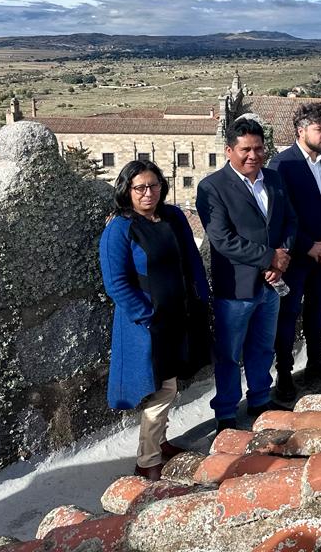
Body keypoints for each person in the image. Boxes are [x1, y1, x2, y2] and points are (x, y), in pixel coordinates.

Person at [100, 159, 211, 479]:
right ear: (127, 191)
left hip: (179, 316)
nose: (148, 193)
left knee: (171, 385)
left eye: (154, 186)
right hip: (146, 325)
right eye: (140, 188)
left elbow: (191, 259)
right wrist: (147, 317)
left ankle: (160, 443)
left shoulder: (174, 216)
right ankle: (147, 460)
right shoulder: (120, 229)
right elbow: (116, 283)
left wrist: (201, 298)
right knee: (159, 389)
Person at [196, 118, 296, 433]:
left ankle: (259, 400)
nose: (253, 155)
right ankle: (226, 412)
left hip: (270, 284)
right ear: (229, 151)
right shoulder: (212, 187)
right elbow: (222, 239)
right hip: (236, 288)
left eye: (258, 148)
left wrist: (281, 258)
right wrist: (269, 257)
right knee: (228, 354)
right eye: (245, 150)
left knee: (263, 347)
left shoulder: (276, 180)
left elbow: (291, 221)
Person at [268, 102, 321, 397]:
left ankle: (316, 361)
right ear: (301, 131)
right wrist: (309, 246)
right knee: (288, 315)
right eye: (320, 129)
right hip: (296, 257)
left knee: (316, 310)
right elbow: (281, 216)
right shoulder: (283, 165)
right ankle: (285, 373)